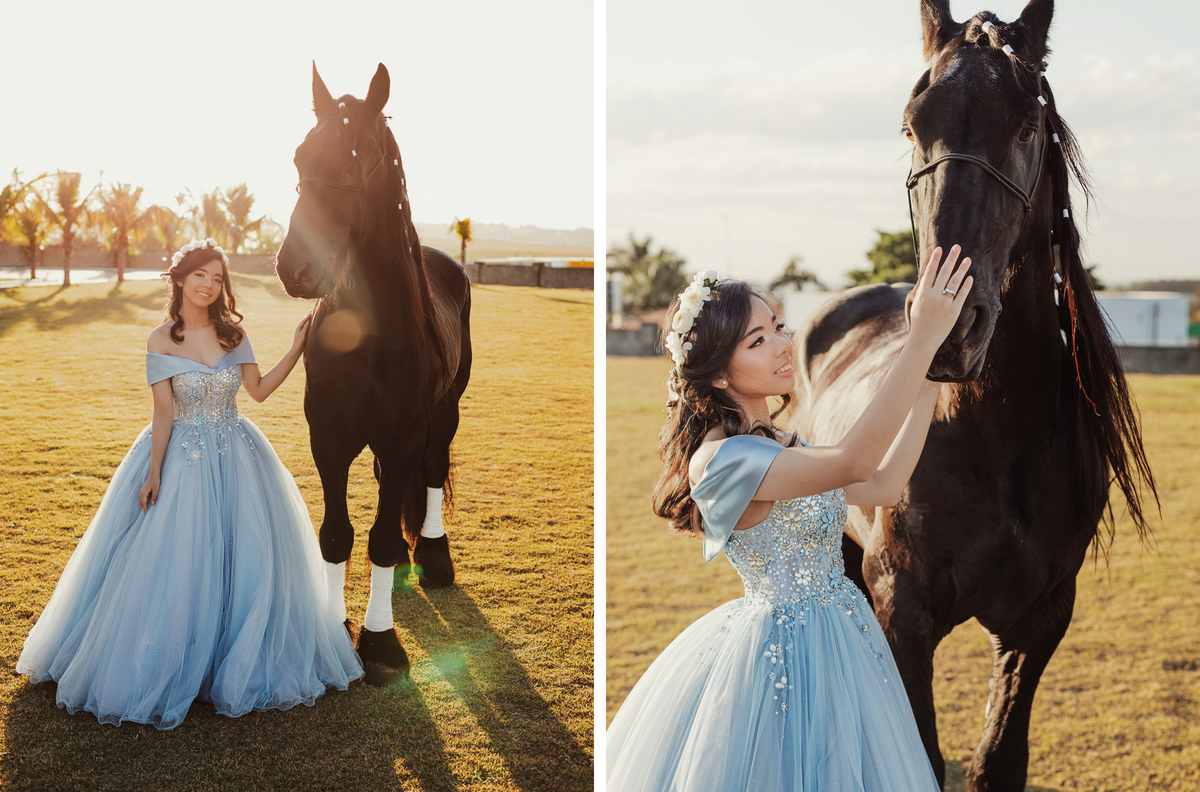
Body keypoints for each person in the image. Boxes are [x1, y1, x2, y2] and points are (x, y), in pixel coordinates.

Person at [606, 246, 975, 790]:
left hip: (842, 636)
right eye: (758, 341)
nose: (784, 346)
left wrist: (929, 378)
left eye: (778, 327)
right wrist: (918, 341)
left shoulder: (780, 441)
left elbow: (881, 484)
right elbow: (854, 459)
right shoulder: (724, 459)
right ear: (719, 374)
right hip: (779, 657)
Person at [16, 238, 363, 730]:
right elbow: (163, 412)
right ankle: (173, 659)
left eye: (217, 278)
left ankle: (229, 653)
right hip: (181, 458)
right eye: (200, 275)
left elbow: (258, 392)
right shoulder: (160, 339)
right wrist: (154, 471)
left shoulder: (232, 335)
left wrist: (296, 347)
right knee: (179, 558)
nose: (208, 285)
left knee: (243, 555)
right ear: (180, 278)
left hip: (238, 457)